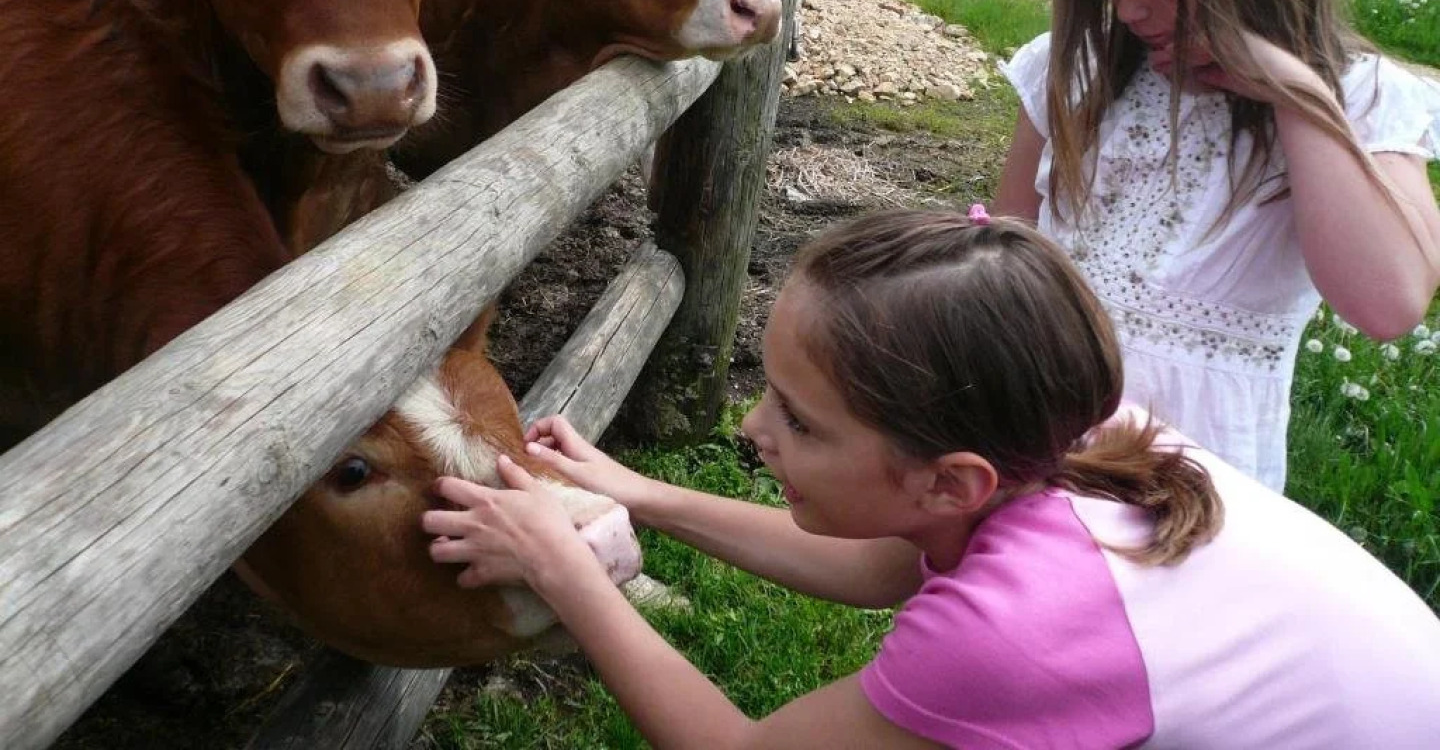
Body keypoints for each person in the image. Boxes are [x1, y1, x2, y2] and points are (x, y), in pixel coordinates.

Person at [421, 208, 1440, 750]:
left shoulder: (1014, 636)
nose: (751, 425)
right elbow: (883, 565)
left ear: (953, 482)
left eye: (800, 420)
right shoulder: (1079, 436)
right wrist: (645, 495)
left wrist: (568, 574)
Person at [994, 0, 1440, 491]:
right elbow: (1000, 256)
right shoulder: (1074, 70)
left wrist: (1293, 91)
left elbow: (1388, 302)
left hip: (1198, 480)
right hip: (1036, 433)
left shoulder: (1361, 97)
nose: (1132, 9)